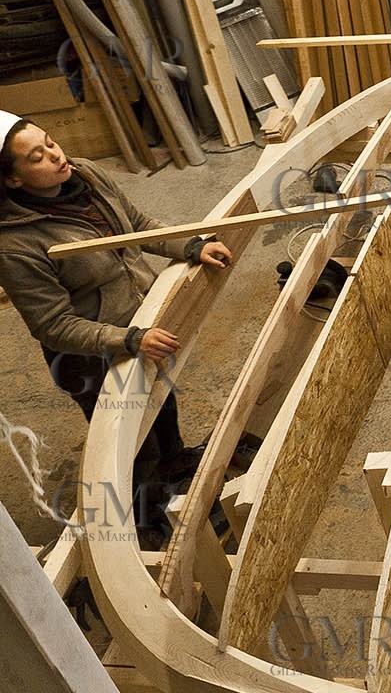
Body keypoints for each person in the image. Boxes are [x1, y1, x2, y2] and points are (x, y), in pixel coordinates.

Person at [0, 110, 232, 545]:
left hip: (140, 327)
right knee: (130, 443)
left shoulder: (84, 177)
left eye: (50, 141)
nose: (56, 155)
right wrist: (126, 340)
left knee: (161, 404)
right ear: (12, 180)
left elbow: (136, 227)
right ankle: (146, 524)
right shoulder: (15, 246)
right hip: (90, 357)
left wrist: (190, 245)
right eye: (37, 157)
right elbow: (53, 325)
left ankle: (176, 463)